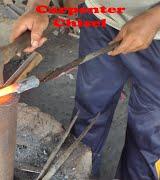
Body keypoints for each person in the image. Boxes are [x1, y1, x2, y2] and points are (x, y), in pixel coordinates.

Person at [11, 0, 160, 179]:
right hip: (99, 17)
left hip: (156, 33)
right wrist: (38, 6)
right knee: (88, 113)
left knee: (148, 134)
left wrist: (155, 18)